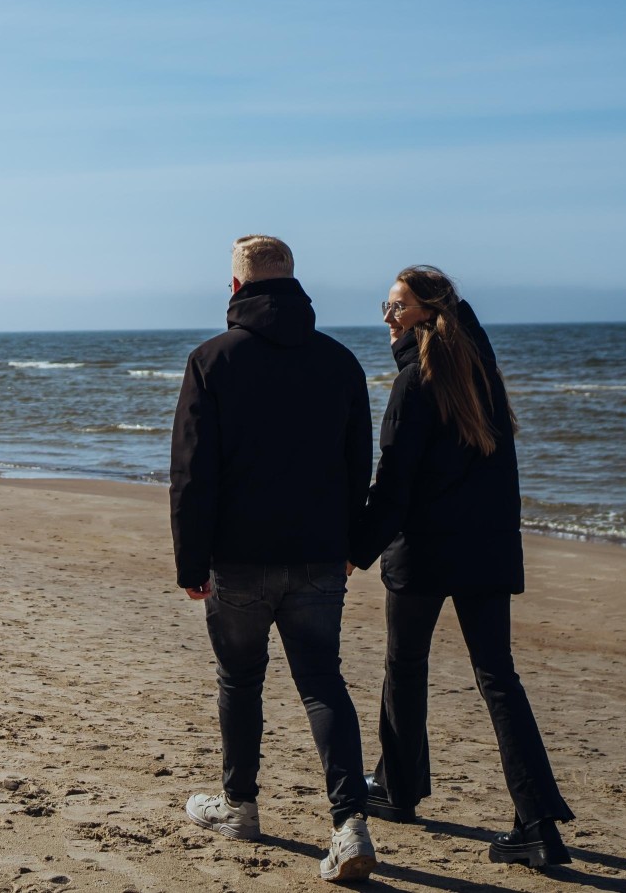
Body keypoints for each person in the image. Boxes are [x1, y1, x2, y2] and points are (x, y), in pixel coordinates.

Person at [170, 235, 379, 883]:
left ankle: (240, 806)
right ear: (293, 282)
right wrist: (353, 545)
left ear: (235, 287)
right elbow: (359, 464)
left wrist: (191, 562)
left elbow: (192, 473)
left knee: (240, 680)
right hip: (319, 555)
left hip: (237, 558)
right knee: (322, 682)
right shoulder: (339, 361)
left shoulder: (212, 359)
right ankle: (350, 823)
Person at [356, 265, 575, 868]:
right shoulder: (483, 376)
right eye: (387, 305)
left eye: (397, 306)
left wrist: (356, 549)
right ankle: (538, 824)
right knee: (497, 677)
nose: (387, 316)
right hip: (485, 551)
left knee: (405, 666)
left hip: (425, 551)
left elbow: (393, 484)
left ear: (428, 313)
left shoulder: (415, 382)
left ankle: (400, 792)